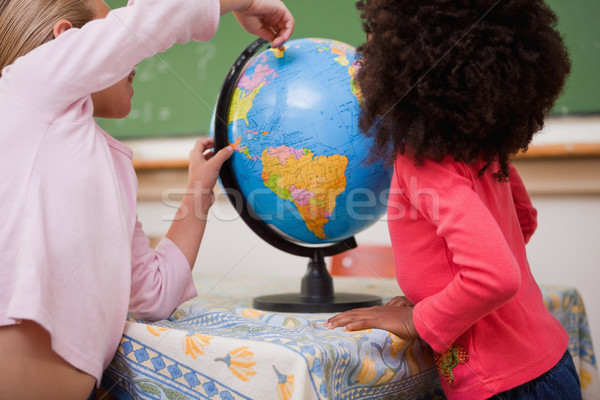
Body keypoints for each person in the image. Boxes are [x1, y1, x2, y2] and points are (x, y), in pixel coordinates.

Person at [0, 0, 294, 398]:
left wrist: (198, 192)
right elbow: (158, 16)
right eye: (111, 28)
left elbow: (153, 293)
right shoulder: (26, 84)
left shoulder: (104, 165)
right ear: (66, 41)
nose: (133, 57)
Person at [326, 0, 581, 399]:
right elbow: (523, 220)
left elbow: (494, 275)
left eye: (376, 49)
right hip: (546, 364)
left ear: (403, 70)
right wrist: (439, 295)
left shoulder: (422, 161)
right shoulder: (483, 149)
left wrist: (420, 320)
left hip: (505, 384)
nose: (365, 57)